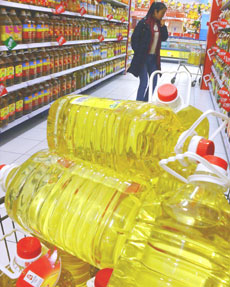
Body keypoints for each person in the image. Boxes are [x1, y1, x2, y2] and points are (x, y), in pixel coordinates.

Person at [128, 2, 168, 102]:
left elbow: (164, 38)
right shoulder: (144, 23)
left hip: (153, 59)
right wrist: (138, 52)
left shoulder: (160, 25)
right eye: (162, 13)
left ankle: (145, 103)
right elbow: (134, 39)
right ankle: (138, 104)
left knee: (154, 81)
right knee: (144, 82)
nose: (163, 15)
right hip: (143, 58)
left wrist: (164, 27)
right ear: (155, 11)